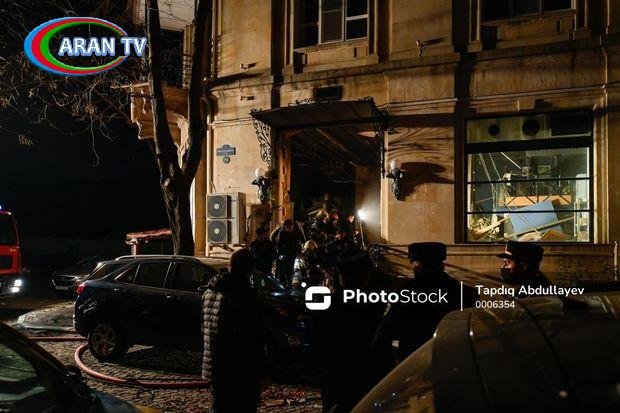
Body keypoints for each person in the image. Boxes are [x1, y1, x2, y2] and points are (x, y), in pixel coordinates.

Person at [371, 242, 469, 381]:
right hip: (452, 369)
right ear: (442, 266)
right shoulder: (463, 292)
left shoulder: (407, 293)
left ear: (416, 268)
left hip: (414, 370)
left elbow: (382, 336)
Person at [315, 250, 385, 413]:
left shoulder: (326, 306)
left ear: (340, 277)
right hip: (366, 378)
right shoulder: (374, 306)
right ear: (366, 276)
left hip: (336, 379)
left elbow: (318, 344)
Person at [202, 249, 266, 413]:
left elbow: (204, 328)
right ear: (249, 269)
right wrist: (259, 369)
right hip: (239, 367)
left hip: (215, 364)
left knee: (219, 406)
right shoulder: (243, 294)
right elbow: (250, 334)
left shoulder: (210, 291)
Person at [275, 219, 302, 286]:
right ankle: (283, 282)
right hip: (285, 254)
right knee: (284, 269)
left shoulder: (296, 232)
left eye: (290, 226)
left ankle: (290, 282)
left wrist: (299, 252)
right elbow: (279, 244)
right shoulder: (282, 233)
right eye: (288, 227)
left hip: (293, 254)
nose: (289, 228)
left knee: (292, 269)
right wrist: (280, 254)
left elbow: (300, 242)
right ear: (285, 227)